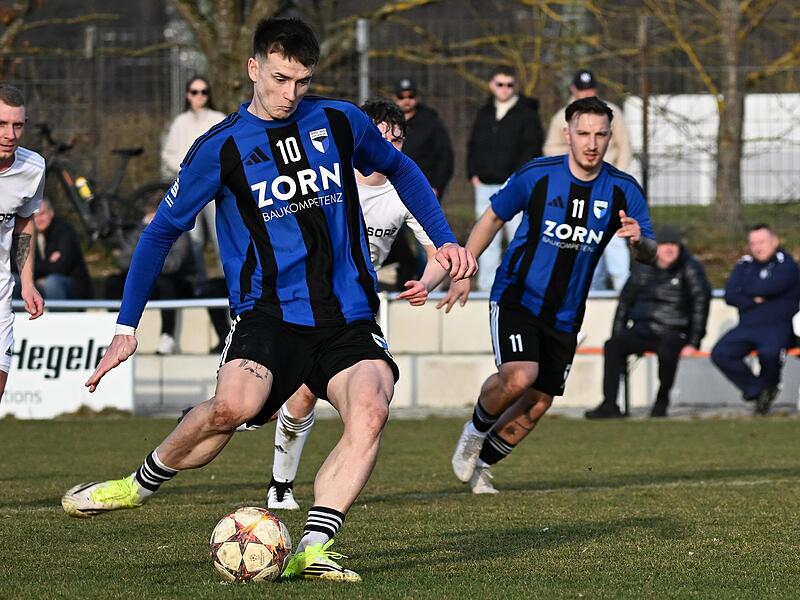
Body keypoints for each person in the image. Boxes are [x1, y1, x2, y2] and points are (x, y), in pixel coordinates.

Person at [60, 18, 476, 584]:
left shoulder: (339, 120)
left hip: (347, 313)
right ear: (253, 69)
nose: (289, 94)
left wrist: (445, 237)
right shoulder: (220, 147)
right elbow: (160, 232)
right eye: (279, 79)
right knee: (231, 408)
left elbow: (400, 167)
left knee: (372, 408)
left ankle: (311, 546)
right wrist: (126, 325)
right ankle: (138, 484)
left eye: (301, 82)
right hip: (269, 316)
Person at [441, 96, 655, 494]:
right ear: (567, 134)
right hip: (518, 296)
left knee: (539, 403)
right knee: (521, 374)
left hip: (566, 314)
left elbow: (651, 252)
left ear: (611, 137)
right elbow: (492, 217)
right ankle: (474, 430)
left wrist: (639, 242)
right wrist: (464, 269)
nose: (592, 143)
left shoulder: (623, 190)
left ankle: (483, 464)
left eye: (600, 134)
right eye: (583, 133)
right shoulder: (538, 175)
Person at [266, 97, 448, 511]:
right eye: (381, 135)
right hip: (307, 298)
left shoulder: (405, 190)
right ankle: (280, 481)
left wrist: (427, 281)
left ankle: (320, 490)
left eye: (397, 138)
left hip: (357, 307)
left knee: (359, 406)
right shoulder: (328, 175)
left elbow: (439, 251)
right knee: (296, 398)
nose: (389, 144)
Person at [584, 224, 711, 419]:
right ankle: (610, 405)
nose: (669, 250)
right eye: (664, 245)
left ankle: (661, 403)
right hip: (642, 329)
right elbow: (624, 303)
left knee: (668, 351)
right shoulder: (642, 267)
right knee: (613, 346)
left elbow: (701, 304)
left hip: (674, 331)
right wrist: (617, 333)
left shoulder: (691, 268)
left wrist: (694, 342)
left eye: (673, 245)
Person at [544, 69, 633, 293]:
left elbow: (624, 147)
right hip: (575, 188)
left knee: (612, 235)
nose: (586, 93)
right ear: (573, 89)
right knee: (581, 238)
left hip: (605, 183)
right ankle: (588, 289)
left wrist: (618, 177)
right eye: (582, 89)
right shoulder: (562, 117)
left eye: (590, 89)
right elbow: (550, 150)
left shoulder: (612, 113)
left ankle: (624, 288)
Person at [467, 65, 544, 291]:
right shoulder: (484, 112)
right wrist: (473, 173)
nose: (504, 89)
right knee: (485, 237)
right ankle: (486, 285)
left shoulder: (527, 114)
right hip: (485, 184)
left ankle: (517, 283)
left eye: (509, 85)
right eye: (500, 84)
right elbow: (473, 145)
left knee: (517, 236)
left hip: (513, 184)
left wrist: (518, 178)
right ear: (492, 85)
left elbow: (532, 148)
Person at [711, 224, 800, 416]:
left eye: (762, 242)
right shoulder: (745, 264)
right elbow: (730, 295)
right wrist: (757, 297)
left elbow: (770, 287)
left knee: (769, 353)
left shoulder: (787, 264)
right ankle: (758, 390)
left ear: (774, 241)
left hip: (778, 326)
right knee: (720, 353)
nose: (757, 247)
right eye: (753, 243)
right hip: (747, 326)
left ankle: (767, 390)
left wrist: (749, 293)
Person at [0, 84, 46, 402]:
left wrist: (27, 283)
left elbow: (25, 223)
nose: (10, 134)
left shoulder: (33, 168)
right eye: (1, 124)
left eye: (17, 125)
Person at [104, 197, 195, 355]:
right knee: (112, 283)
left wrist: (148, 261)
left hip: (171, 280)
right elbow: (123, 258)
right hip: (145, 279)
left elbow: (175, 263)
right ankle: (114, 333)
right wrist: (147, 261)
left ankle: (167, 336)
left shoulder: (180, 230)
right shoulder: (139, 231)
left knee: (166, 285)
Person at [161, 76, 226, 283]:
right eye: (195, 92)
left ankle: (230, 284)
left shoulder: (218, 118)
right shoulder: (180, 123)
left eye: (204, 91)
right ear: (188, 95)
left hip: (216, 188)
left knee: (222, 237)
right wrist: (185, 171)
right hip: (189, 188)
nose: (199, 96)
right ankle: (200, 283)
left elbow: (228, 150)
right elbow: (168, 154)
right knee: (193, 239)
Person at [393, 78, 454, 200]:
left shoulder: (431, 122)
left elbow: (445, 156)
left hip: (424, 188)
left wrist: (436, 186)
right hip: (393, 187)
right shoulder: (388, 122)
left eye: (411, 96)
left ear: (418, 97)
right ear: (394, 98)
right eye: (401, 96)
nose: (407, 100)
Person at [32, 199, 93, 300]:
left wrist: (32, 266)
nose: (38, 219)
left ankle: (57, 314)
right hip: (37, 285)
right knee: (15, 281)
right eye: (34, 216)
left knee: (53, 282)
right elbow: (16, 265)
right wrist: (49, 263)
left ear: (51, 213)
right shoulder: (26, 235)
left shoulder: (64, 231)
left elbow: (62, 267)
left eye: (42, 214)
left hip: (72, 286)